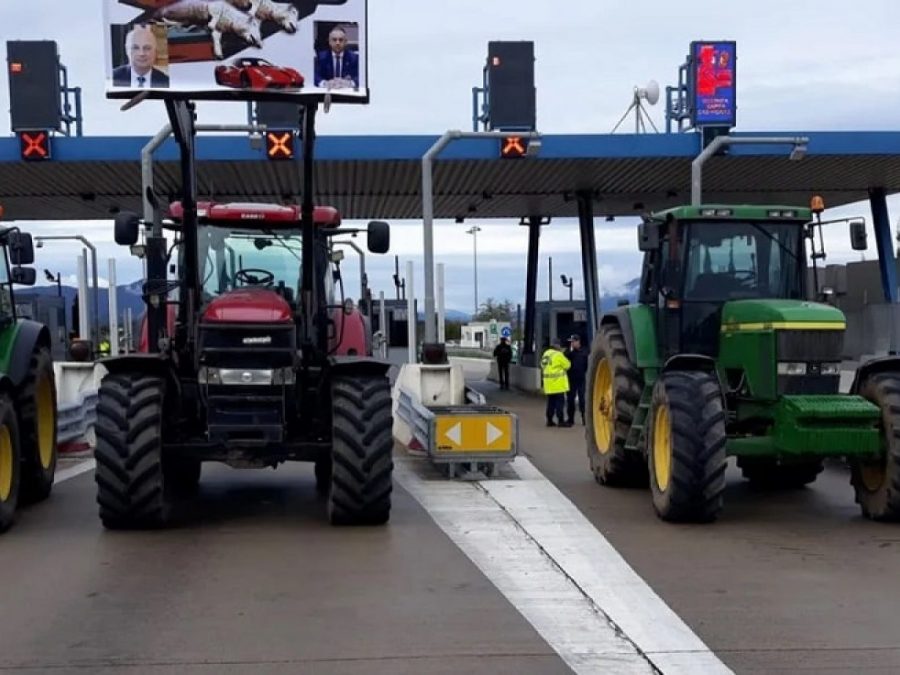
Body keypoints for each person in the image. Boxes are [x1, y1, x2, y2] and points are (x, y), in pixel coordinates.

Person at [113, 24, 170, 88]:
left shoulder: (166, 82)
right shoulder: (113, 78)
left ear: (155, 51)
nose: (141, 53)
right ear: (127, 50)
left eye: (147, 48)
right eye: (135, 48)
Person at [541, 339, 571, 427]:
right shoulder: (558, 354)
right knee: (559, 404)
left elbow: (542, 365)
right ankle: (560, 421)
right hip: (558, 384)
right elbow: (567, 365)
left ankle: (549, 420)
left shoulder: (546, 354)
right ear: (557, 346)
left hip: (548, 384)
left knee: (550, 403)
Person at [564, 334, 588, 425]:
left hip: (581, 379)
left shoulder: (584, 352)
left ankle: (584, 418)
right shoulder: (569, 352)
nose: (572, 343)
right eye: (571, 342)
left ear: (578, 342)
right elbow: (565, 357)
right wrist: (571, 349)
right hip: (571, 379)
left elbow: (586, 364)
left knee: (582, 400)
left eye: (573, 341)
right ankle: (570, 419)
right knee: (570, 399)